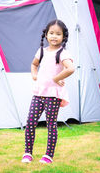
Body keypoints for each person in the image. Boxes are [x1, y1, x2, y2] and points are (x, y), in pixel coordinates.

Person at [21, 19, 75, 164]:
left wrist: (56, 78)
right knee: (30, 122)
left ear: (63, 36)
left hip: (53, 95)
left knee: (51, 124)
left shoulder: (63, 53)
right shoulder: (42, 51)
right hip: (39, 93)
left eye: (58, 34)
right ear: (46, 35)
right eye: (51, 33)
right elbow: (34, 64)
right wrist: (34, 75)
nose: (54, 36)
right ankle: (27, 153)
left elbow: (70, 68)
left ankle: (48, 155)